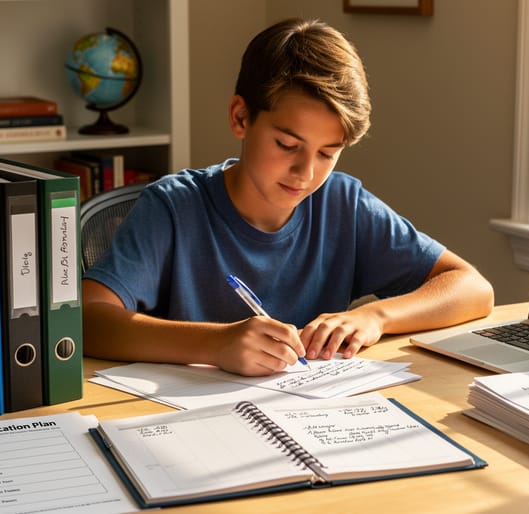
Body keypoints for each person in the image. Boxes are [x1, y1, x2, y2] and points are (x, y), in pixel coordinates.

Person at [82, 18, 494, 376]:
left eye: (327, 153)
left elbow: (472, 288)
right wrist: (216, 344)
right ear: (241, 117)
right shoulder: (173, 208)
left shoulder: (342, 204)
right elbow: (86, 319)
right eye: (286, 144)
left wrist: (375, 317)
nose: (306, 173)